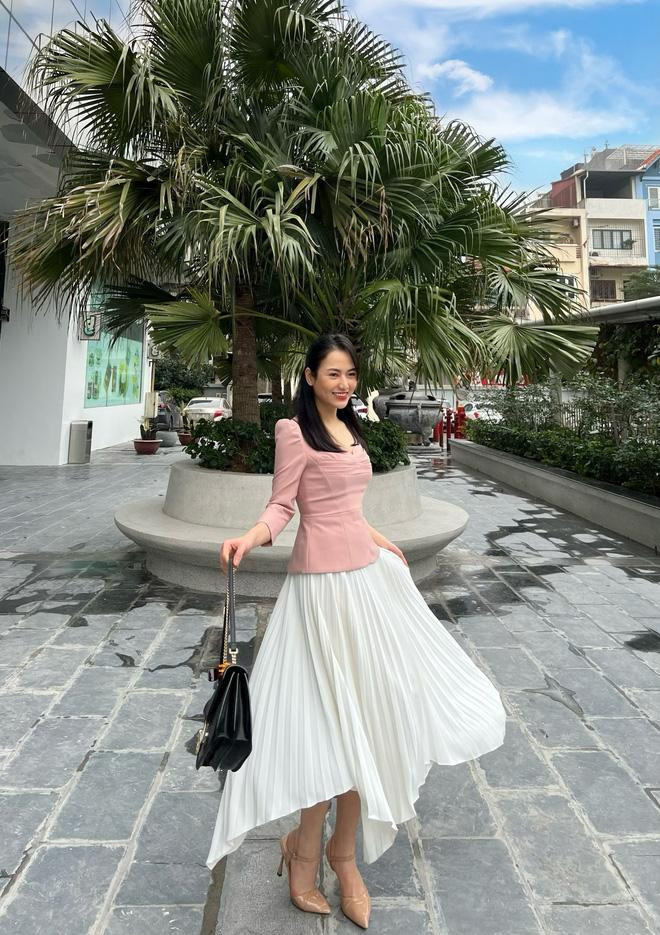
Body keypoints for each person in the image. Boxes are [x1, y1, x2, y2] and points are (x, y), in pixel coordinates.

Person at [206, 334, 506, 929]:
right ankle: (304, 852)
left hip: (367, 586)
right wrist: (248, 538)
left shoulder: (352, 426)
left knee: (369, 719)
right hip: (319, 595)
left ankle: (342, 857)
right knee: (326, 725)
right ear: (310, 376)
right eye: (333, 374)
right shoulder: (294, 432)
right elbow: (284, 507)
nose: (343, 384)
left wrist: (380, 540)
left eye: (350, 374)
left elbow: (348, 508)